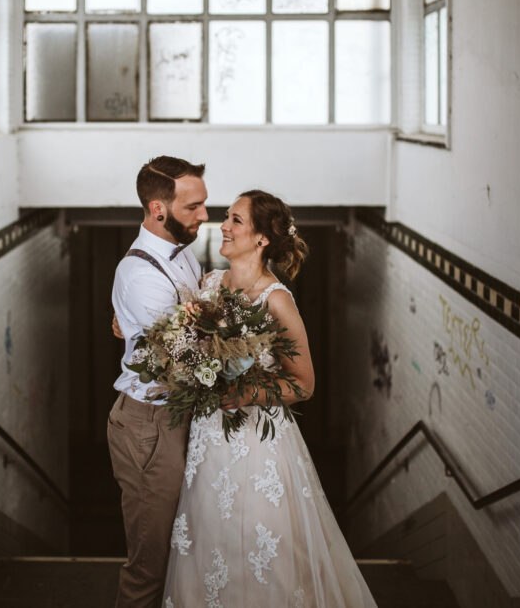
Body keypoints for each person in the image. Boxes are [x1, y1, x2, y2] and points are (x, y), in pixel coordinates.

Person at [162, 190, 377, 607]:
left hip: (257, 444)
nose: (224, 226)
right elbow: (176, 339)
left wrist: (249, 391)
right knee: (209, 538)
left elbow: (304, 384)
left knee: (259, 546)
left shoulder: (275, 299)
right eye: (226, 217)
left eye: (235, 220)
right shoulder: (208, 284)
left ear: (261, 238)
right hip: (208, 440)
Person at [108, 155, 209, 608]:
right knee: (150, 564)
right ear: (158, 209)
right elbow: (186, 361)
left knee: (185, 548)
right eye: (194, 207)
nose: (205, 215)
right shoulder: (139, 276)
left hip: (181, 415)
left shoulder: (183, 250)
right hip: (149, 424)